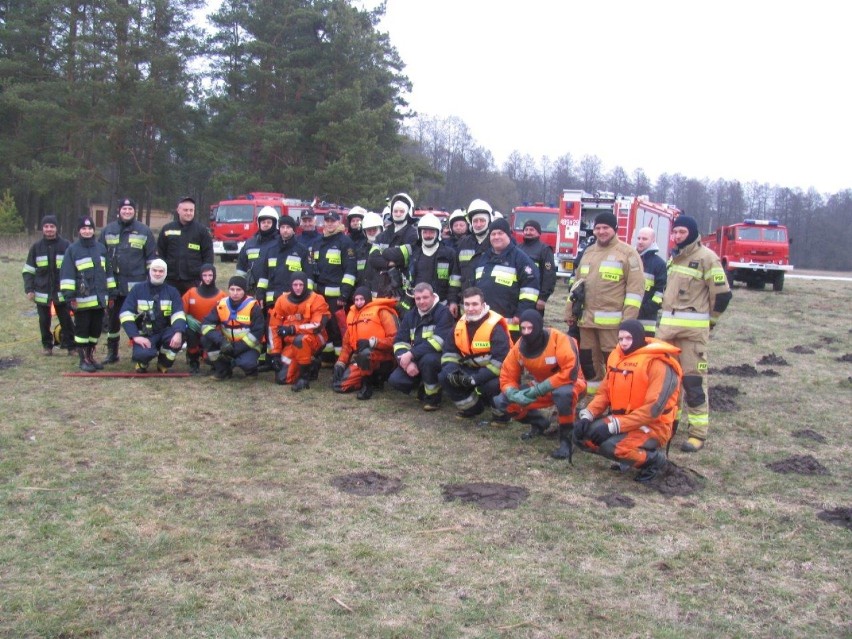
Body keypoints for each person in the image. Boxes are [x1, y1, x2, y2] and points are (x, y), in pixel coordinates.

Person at [656, 215, 732, 452]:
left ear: (692, 233)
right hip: (667, 332)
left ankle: (698, 433)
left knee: (693, 382)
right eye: (675, 232)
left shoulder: (707, 258)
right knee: (668, 383)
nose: (677, 236)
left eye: (682, 232)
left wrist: (710, 323)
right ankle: (670, 426)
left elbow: (722, 295)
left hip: (692, 335)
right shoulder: (674, 257)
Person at [573, 320, 682, 482]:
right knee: (584, 436)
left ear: (639, 338)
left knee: (612, 446)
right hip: (623, 420)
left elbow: (652, 410)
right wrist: (587, 415)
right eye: (620, 338)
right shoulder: (616, 357)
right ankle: (628, 458)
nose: (624, 343)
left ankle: (654, 461)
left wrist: (612, 427)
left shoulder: (658, 364)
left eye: (628, 338)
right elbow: (604, 393)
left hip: (654, 425)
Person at [495, 309, 586, 460]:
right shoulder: (519, 347)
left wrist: (539, 389)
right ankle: (539, 423)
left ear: (538, 326)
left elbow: (570, 372)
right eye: (523, 328)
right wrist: (512, 392)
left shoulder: (560, 340)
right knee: (502, 401)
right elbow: (507, 375)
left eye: (530, 328)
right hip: (540, 388)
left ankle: (566, 441)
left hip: (572, 384)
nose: (526, 332)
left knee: (563, 395)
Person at [570, 211, 644, 396]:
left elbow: (635, 291)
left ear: (615, 229)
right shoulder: (588, 252)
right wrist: (569, 313)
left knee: (615, 363)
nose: (601, 231)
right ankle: (594, 402)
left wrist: (628, 323)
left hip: (613, 326)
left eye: (606, 228)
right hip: (586, 322)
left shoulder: (627, 253)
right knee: (589, 363)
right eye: (598, 228)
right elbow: (576, 286)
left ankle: (617, 400)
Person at [439, 287, 512, 424]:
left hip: (496, 372)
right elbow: (449, 352)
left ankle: (501, 415)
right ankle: (471, 408)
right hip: (471, 369)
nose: (470, 308)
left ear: (483, 305)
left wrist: (475, 379)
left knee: (491, 386)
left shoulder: (495, 327)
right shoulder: (459, 325)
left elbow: (500, 362)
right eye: (467, 304)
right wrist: (451, 371)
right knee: (444, 376)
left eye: (474, 304)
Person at [99, 197, 158, 364]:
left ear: (134, 211)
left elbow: (151, 260)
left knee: (139, 319)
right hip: (114, 285)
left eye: (130, 209)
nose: (127, 212)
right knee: (113, 320)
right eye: (124, 209)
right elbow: (100, 257)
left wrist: (150, 283)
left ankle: (138, 351)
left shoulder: (144, 231)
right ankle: (112, 352)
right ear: (119, 211)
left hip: (137, 286)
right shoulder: (108, 231)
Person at [59, 215, 117, 371]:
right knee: (82, 330)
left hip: (99, 300)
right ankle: (83, 359)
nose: (87, 231)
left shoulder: (101, 248)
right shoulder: (72, 250)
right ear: (79, 231)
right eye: (83, 228)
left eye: (90, 228)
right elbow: (67, 275)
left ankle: (90, 356)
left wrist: (112, 294)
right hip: (82, 300)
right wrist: (70, 297)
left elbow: (108, 273)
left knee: (95, 330)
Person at [389, 282, 455, 411]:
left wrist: (410, 354)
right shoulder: (410, 316)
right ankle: (422, 385)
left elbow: (438, 342)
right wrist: (407, 363)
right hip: (416, 358)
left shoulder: (443, 313)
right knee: (395, 380)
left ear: (432, 296)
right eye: (418, 298)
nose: (421, 301)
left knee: (428, 360)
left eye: (425, 297)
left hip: (440, 358)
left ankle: (433, 398)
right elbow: (399, 342)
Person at [472, 217, 540, 340]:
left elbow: (530, 290)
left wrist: (521, 313)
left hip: (510, 325)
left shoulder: (520, 259)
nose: (496, 237)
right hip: (484, 320)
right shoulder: (483, 258)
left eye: (500, 233)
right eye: (493, 234)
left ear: (508, 235)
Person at [386, 212, 461, 317]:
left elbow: (455, 281)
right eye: (425, 232)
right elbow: (386, 254)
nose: (428, 235)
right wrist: (390, 263)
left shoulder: (449, 254)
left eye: (431, 232)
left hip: (441, 307)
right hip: (416, 307)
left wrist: (453, 301)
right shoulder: (413, 252)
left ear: (438, 233)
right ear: (420, 234)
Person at [119, 259, 187, 373]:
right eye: (154, 270)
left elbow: (178, 314)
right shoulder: (137, 289)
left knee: (180, 336)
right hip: (144, 334)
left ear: (165, 273)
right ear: (150, 271)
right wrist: (135, 336)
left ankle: (163, 363)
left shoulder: (172, 292)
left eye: (161, 271)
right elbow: (125, 314)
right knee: (144, 354)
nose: (157, 273)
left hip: (165, 332)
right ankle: (142, 362)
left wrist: (178, 333)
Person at [267, 271, 331, 390]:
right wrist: (275, 353)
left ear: (306, 285)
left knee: (301, 340)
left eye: (301, 285)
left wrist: (293, 329)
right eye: (295, 284)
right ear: (290, 285)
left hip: (315, 339)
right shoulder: (282, 301)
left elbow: (317, 325)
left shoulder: (317, 299)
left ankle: (304, 378)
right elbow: (273, 327)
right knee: (282, 378)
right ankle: (311, 364)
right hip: (293, 343)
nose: (298, 288)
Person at [332, 287, 398, 400]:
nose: (359, 302)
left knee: (365, 354)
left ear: (368, 298)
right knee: (339, 385)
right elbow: (347, 344)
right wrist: (341, 363)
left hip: (382, 357)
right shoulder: (352, 316)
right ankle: (370, 379)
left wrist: (373, 342)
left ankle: (368, 385)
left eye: (361, 299)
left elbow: (395, 339)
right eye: (356, 299)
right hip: (361, 359)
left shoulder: (382, 312)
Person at [22, 214, 75, 355]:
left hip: (61, 292)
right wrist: (29, 289)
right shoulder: (36, 248)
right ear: (42, 228)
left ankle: (71, 347)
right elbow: (28, 271)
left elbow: (73, 268)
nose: (49, 229)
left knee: (66, 320)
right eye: (46, 226)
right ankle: (47, 347)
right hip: (41, 292)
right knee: (44, 321)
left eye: (52, 226)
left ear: (57, 228)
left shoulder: (66, 246)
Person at [310, 210, 357, 359]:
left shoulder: (345, 242)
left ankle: (341, 358)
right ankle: (328, 357)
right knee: (325, 326)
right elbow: (312, 266)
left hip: (337, 297)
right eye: (327, 221)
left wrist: (344, 294)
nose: (330, 224)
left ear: (339, 222)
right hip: (320, 295)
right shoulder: (317, 242)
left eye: (333, 221)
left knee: (338, 329)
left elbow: (350, 270)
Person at [201, 276, 265, 380]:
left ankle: (251, 371)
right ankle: (223, 370)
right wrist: (222, 342)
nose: (235, 293)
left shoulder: (253, 307)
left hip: (248, 346)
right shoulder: (221, 305)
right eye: (232, 289)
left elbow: (257, 333)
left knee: (246, 363)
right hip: (226, 344)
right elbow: (205, 325)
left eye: (239, 290)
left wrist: (235, 349)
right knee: (206, 339)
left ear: (244, 290)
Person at [157, 196, 214, 295]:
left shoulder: (201, 231)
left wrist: (204, 278)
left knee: (193, 310)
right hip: (171, 280)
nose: (188, 213)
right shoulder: (167, 229)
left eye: (191, 210)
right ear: (178, 210)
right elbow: (160, 253)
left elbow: (208, 256)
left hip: (194, 281)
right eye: (185, 210)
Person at [368, 192, 419, 299]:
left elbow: (405, 257)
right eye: (395, 211)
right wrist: (389, 263)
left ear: (408, 212)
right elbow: (372, 259)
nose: (398, 214)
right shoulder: (383, 235)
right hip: (381, 288)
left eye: (401, 211)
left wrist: (384, 253)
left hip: (401, 290)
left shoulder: (413, 234)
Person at [255, 214, 311, 307]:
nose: (285, 230)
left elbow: (308, 276)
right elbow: (264, 276)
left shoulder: (302, 250)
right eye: (282, 227)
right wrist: (260, 293)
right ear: (279, 229)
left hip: (294, 301)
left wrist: (307, 296)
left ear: (293, 230)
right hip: (272, 301)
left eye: (288, 227)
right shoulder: (271, 250)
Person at [181, 263, 226, 374]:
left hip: (213, 330)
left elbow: (225, 317)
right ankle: (193, 360)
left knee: (211, 351)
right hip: (194, 328)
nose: (207, 278)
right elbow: (181, 312)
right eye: (205, 275)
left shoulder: (222, 296)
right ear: (200, 276)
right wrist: (188, 319)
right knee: (190, 333)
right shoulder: (191, 293)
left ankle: (213, 361)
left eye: (210, 275)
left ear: (214, 276)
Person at [235, 205, 280, 295]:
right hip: (252, 291)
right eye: (263, 222)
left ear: (275, 224)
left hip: (274, 290)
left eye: (269, 222)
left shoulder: (280, 243)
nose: (266, 224)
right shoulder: (250, 243)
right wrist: (238, 285)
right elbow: (241, 268)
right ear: (259, 223)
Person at [518, 220, 556, 317]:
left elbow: (549, 275)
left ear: (538, 232)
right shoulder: (518, 248)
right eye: (526, 229)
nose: (528, 232)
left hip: (535, 300)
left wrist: (543, 298)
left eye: (532, 230)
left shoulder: (545, 249)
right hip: (518, 297)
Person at [634, 226, 667, 335]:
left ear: (653, 241)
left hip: (646, 320)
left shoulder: (659, 264)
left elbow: (660, 294)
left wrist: (643, 310)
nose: (640, 242)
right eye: (638, 238)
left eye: (644, 239)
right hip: (626, 316)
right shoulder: (630, 259)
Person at [456, 199, 493, 288]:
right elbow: (456, 274)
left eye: (482, 220)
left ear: (489, 221)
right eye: (475, 221)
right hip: (466, 298)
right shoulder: (463, 243)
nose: (478, 224)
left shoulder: (495, 242)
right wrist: (453, 300)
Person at [346, 206, 370, 286]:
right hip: (349, 280)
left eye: (358, 220)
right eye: (353, 220)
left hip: (364, 281)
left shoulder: (368, 240)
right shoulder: (346, 240)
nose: (355, 223)